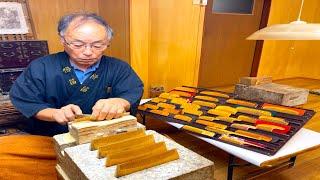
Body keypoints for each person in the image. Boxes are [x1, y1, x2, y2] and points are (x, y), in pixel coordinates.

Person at [9, 12, 144, 136]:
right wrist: (54, 113)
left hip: (103, 135)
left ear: (107, 43)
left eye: (97, 46)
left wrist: (119, 102)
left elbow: (132, 91)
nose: (88, 52)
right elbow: (26, 99)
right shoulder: (41, 67)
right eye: (78, 45)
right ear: (63, 40)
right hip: (51, 136)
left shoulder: (119, 67)